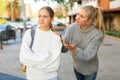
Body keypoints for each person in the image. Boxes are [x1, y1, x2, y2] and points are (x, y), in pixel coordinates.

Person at [62, 5, 105, 80]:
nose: (77, 17)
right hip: (77, 67)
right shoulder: (71, 28)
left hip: (90, 71)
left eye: (81, 16)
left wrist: (75, 50)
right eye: (78, 14)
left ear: (90, 20)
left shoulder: (97, 34)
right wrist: (58, 41)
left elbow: (88, 55)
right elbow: (64, 49)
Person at [19, 6, 62, 80]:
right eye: (39, 16)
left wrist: (33, 62)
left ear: (52, 19)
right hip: (32, 77)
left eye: (45, 16)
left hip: (51, 77)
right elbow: (23, 58)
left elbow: (55, 65)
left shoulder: (56, 38)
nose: (41, 19)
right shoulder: (29, 33)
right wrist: (46, 58)